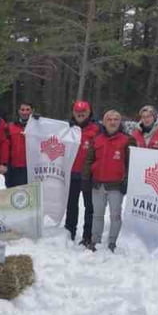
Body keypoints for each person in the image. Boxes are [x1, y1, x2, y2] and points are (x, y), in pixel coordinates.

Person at [82, 110, 132, 252]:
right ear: (104, 122)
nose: (112, 122)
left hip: (116, 186)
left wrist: (127, 180)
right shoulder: (97, 139)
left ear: (119, 122)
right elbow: (89, 160)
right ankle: (95, 240)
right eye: (109, 119)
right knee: (97, 215)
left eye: (116, 119)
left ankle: (112, 241)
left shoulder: (127, 140)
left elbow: (131, 163)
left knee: (115, 215)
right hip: (97, 184)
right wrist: (86, 178)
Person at [67, 100, 101, 243]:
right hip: (70, 173)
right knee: (71, 205)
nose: (80, 114)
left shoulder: (97, 129)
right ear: (73, 113)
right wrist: (37, 122)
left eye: (83, 112)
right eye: (77, 112)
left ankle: (87, 235)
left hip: (89, 175)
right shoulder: (67, 127)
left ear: (89, 112)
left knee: (90, 207)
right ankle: (69, 232)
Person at [6, 103, 33, 187]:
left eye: (27, 110)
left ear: (32, 111)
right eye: (22, 110)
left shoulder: (37, 126)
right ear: (19, 111)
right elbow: (5, 146)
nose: (25, 112)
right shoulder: (10, 126)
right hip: (13, 167)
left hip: (30, 167)